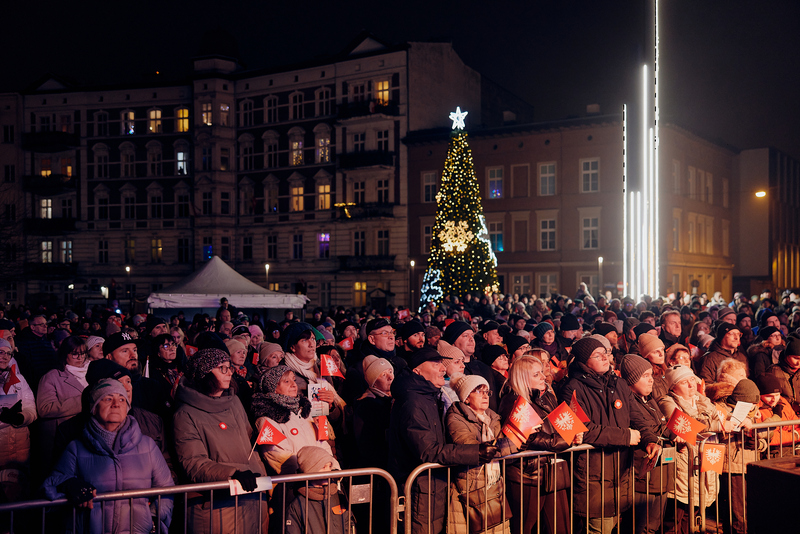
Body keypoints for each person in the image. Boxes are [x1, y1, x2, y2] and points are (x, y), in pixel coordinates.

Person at [388, 346, 497, 534]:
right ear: (417, 371)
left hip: (433, 485)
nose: (443, 369)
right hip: (419, 487)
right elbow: (428, 450)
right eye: (435, 364)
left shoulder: (428, 396)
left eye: (441, 363)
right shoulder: (413, 402)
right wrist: (475, 452)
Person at [42, 379, 174, 534]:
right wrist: (69, 484)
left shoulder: (148, 446)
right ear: (94, 407)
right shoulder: (76, 448)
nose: (116, 404)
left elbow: (166, 490)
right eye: (108, 398)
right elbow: (50, 487)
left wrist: (153, 521)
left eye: (121, 399)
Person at [558, 337, 660, 534]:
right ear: (583, 362)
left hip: (620, 473)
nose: (605, 358)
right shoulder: (572, 389)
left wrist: (650, 440)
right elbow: (581, 429)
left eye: (606, 353)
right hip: (593, 474)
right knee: (598, 528)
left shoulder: (619, 384)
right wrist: (625, 437)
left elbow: (637, 418)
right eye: (598, 355)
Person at [173, 348, 268, 534]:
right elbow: (194, 463)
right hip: (217, 506)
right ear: (205, 373)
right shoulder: (185, 414)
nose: (229, 372)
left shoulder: (233, 402)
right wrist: (233, 474)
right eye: (222, 368)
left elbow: (249, 443)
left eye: (229, 367)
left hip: (252, 495)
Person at [497, 355, 578, 534]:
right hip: (527, 474)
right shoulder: (511, 401)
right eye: (536, 374)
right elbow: (530, 438)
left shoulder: (547, 396)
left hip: (553, 470)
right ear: (523, 378)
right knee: (525, 528)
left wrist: (573, 433)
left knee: (561, 528)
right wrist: (566, 440)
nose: (543, 377)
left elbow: (563, 426)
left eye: (542, 372)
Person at [657, 365, 724, 533]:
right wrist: (717, 425)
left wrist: (740, 420)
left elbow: (722, 416)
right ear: (673, 387)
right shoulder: (667, 401)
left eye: (692, 379)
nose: (691, 384)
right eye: (684, 382)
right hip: (683, 468)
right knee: (675, 519)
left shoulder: (703, 399)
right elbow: (685, 426)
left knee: (694, 517)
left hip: (705, 463)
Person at [446, 374, 511, 534]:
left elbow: (501, 447)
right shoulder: (456, 418)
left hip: (492, 488)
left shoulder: (493, 418)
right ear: (466, 398)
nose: (485, 396)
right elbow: (472, 448)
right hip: (470, 489)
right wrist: (509, 444)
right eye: (479, 391)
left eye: (487, 392)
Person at [618, 354, 676, 534]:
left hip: (661, 475)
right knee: (641, 527)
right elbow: (651, 431)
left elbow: (662, 427)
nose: (651, 380)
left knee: (653, 527)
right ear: (632, 379)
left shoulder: (649, 400)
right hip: (644, 477)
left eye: (651, 374)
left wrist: (674, 433)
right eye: (645, 376)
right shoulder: (631, 404)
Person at [251, 364, 333, 476]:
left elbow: (322, 443)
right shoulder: (266, 420)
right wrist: (313, 470)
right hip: (297, 483)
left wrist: (332, 467)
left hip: (323, 476)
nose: (294, 385)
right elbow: (276, 455)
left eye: (293, 380)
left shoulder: (304, 412)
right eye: (286, 382)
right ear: (273, 388)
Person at [36, 336, 90, 474]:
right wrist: (84, 401)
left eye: (82, 353)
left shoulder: (91, 373)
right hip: (62, 439)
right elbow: (44, 408)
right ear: (65, 354)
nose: (79, 357)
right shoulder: (52, 376)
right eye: (74, 354)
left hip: (86, 436)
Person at [0, 338, 37, 512]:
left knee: (18, 496)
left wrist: (21, 418)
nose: (5, 357)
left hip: (20, 447)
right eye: (0, 352)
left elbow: (31, 407)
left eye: (8, 353)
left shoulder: (18, 379)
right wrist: (3, 419)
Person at [284, 446, 355, 534]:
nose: (328, 471)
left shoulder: (338, 495)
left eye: (329, 466)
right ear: (310, 470)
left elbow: (348, 523)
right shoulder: (297, 504)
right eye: (323, 467)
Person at [767, 334, 800, 411]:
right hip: (783, 413)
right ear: (786, 356)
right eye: (796, 358)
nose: (798, 363)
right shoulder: (773, 371)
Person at [637, 333, 669, 401]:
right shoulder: (646, 376)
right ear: (646, 355)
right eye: (655, 352)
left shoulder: (665, 370)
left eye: (662, 350)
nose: (661, 354)